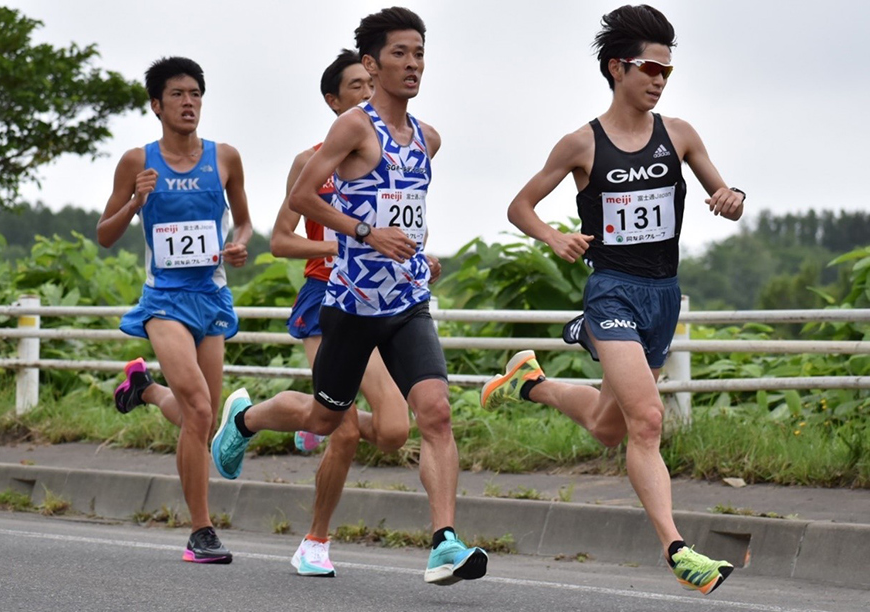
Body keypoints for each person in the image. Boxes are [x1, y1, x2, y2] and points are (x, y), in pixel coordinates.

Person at [212, 7, 488, 586]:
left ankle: (444, 544)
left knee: (434, 413)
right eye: (399, 54)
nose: (412, 64)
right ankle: (246, 419)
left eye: (419, 54)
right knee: (324, 415)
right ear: (371, 61)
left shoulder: (428, 138)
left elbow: (405, 209)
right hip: (351, 306)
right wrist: (364, 234)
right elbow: (306, 198)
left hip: (407, 301)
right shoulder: (353, 128)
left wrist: (415, 249)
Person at [481, 4, 744, 596]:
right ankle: (678, 551)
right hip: (612, 291)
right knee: (647, 421)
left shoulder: (680, 134)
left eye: (667, 72)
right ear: (616, 68)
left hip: (662, 296)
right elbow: (519, 206)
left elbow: (724, 191)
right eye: (650, 68)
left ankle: (528, 381)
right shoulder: (582, 144)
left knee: (607, 427)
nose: (659, 80)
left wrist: (732, 198)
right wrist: (554, 236)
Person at [97, 56, 252, 564]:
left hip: (210, 297)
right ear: (156, 105)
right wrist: (134, 203)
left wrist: (238, 246)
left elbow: (245, 224)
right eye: (179, 95)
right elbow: (105, 234)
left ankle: (145, 390)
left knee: (198, 419)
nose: (189, 103)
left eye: (196, 94)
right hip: (163, 300)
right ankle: (201, 532)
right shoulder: (136, 162)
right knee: (203, 408)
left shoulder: (224, 157)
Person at [270, 49, 416, 577]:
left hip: (380, 298)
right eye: (355, 86)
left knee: (397, 431)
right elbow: (281, 241)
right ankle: (315, 541)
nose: (365, 92)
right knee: (348, 431)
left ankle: (273, 417)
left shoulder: (398, 155)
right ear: (333, 101)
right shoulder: (311, 161)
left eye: (368, 82)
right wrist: (350, 247)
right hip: (324, 295)